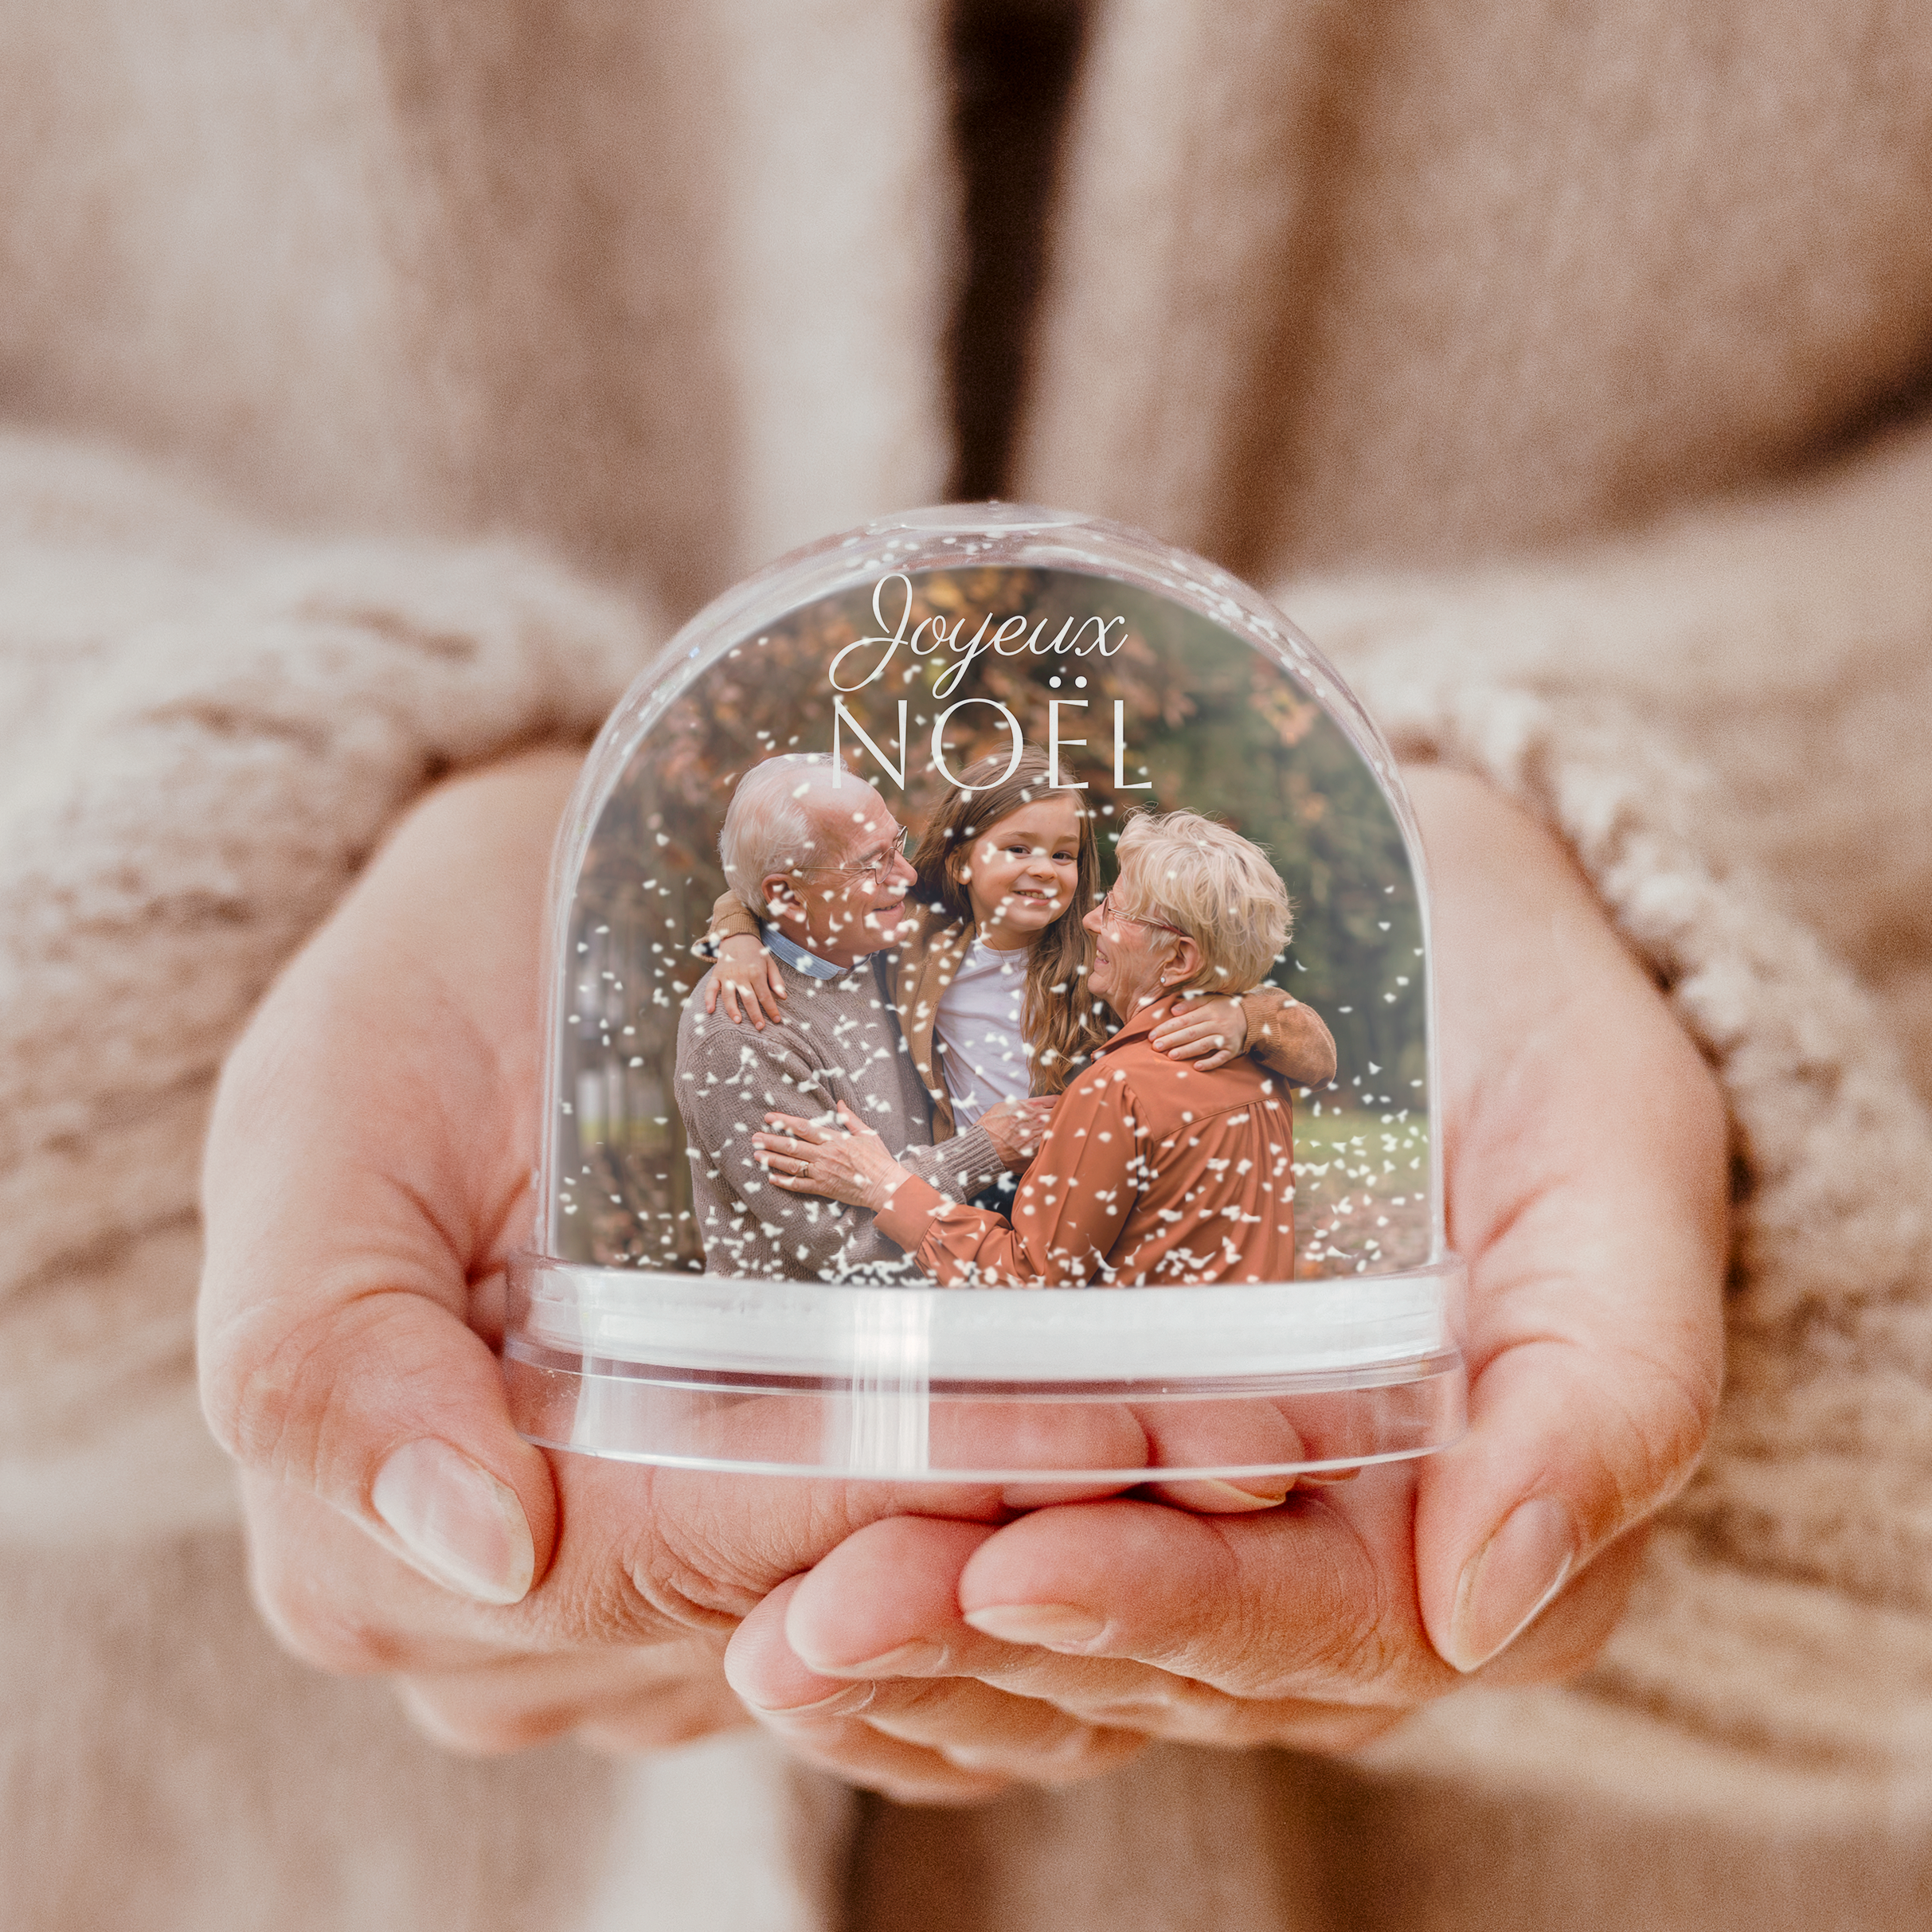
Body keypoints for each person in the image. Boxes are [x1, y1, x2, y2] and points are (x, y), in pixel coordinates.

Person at [8, 4, 1930, 1930]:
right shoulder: (854, 991)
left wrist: (1663, 931)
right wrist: (250, 937)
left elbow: (1034, 1241)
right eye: (998, 860)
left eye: (1077, 877)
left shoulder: (1115, 1046)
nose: (1041, 894)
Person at [702, 745, 1336, 1207]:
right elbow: (797, 891)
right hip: (969, 1179)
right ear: (959, 861)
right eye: (1018, 848)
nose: (1045, 869)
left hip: (1073, 1183)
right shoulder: (911, 940)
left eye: (1064, 854)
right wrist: (736, 934)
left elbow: (1315, 1054)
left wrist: (1248, 1018)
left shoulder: (1100, 960)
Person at [752, 810, 1300, 1288]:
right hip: (1234, 1383)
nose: (1089, 920)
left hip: (1138, 1396)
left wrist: (885, 1185)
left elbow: (1026, 1278)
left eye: (1114, 912)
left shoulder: (1120, 1089)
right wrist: (736, 932)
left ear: (1179, 961)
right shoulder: (1262, 1063)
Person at [675, 754, 1039, 1279]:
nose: (907, 875)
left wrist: (1205, 1008)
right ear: (785, 896)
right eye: (873, 863)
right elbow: (847, 1251)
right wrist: (985, 1152)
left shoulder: (890, 950)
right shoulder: (740, 1033)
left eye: (900, 845)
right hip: (800, 1352)